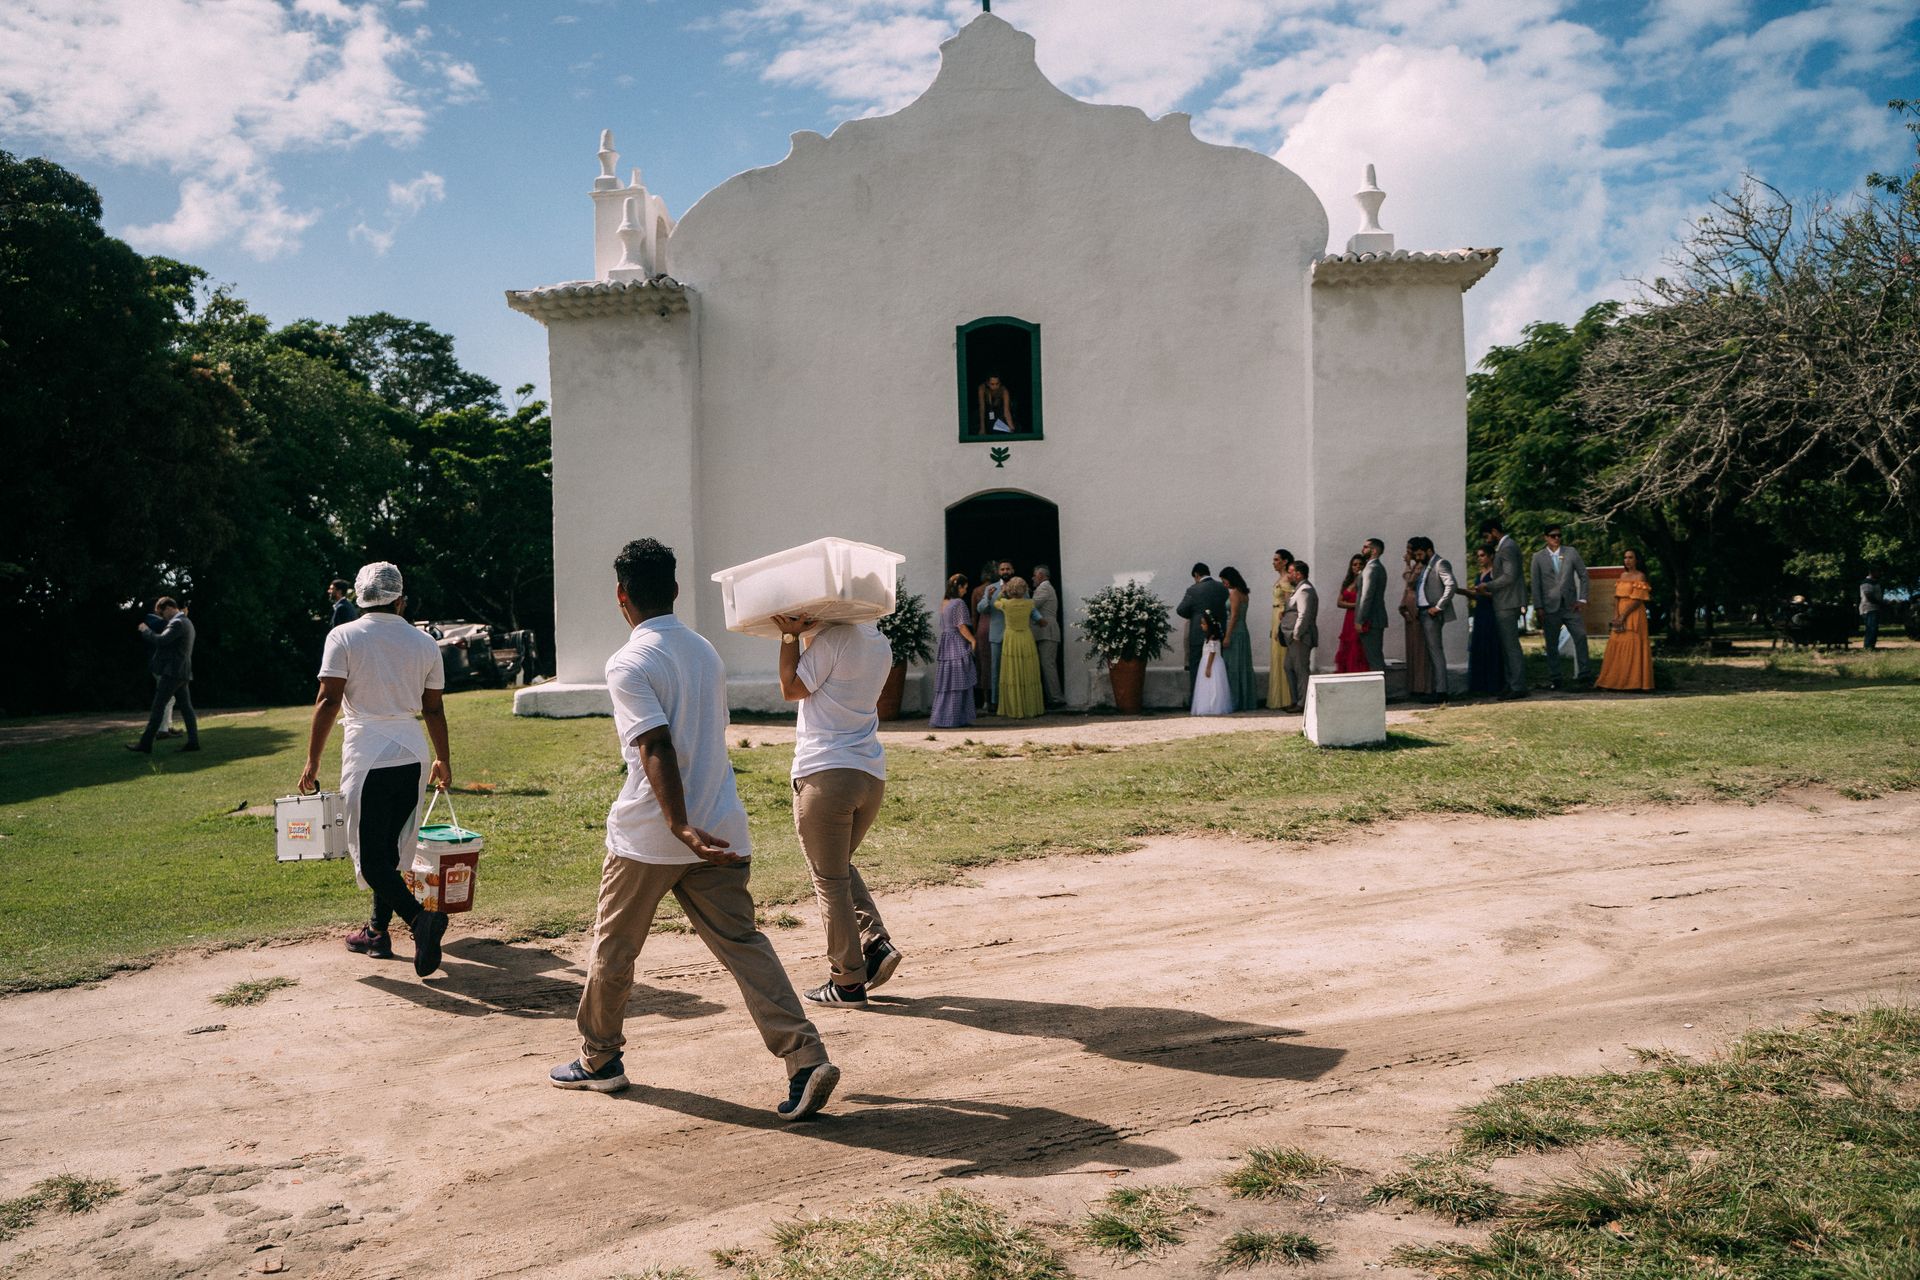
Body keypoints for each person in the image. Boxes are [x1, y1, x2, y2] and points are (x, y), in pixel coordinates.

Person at [550, 539, 839, 1119]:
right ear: (676, 590)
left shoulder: (628, 661)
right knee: (743, 945)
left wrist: (678, 825)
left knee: (615, 946)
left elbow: (655, 742)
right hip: (721, 824)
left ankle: (600, 1059)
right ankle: (805, 1058)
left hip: (651, 834)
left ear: (620, 596)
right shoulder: (705, 652)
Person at [296, 562, 450, 976]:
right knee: (392, 848)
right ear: (401, 599)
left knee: (370, 857)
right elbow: (433, 707)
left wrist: (312, 759)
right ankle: (376, 931)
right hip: (413, 751)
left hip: (368, 753)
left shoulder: (343, 635)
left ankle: (420, 920)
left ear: (362, 599)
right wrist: (444, 758)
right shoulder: (424, 642)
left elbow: (328, 700)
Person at [772, 604, 904, 1009]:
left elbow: (792, 687)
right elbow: (832, 680)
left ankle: (847, 981)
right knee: (837, 868)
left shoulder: (836, 638)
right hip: (869, 774)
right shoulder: (879, 642)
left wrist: (790, 636)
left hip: (826, 775)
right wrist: (812, 633)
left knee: (827, 880)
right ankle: (874, 943)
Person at [127, 597, 199, 754]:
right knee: (187, 709)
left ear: (168, 608)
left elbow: (161, 640)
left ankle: (145, 744)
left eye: (162, 613)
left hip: (172, 672)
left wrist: (146, 631)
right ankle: (193, 742)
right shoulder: (187, 622)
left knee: (157, 708)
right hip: (183, 671)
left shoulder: (177, 622)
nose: (163, 618)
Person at [1530, 526, 1590, 688]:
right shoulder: (1538, 557)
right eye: (1552, 536)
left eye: (1559, 535)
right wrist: (1538, 607)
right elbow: (1535, 584)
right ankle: (1555, 677)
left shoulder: (1571, 552)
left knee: (1581, 636)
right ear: (1546, 538)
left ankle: (1584, 674)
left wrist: (1582, 598)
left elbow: (1584, 575)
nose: (1556, 538)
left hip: (1570, 604)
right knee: (1552, 643)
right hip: (1549, 606)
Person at [1595, 549, 1654, 692]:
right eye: (1625, 557)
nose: (1627, 560)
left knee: (1632, 646)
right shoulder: (1622, 575)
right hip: (1620, 614)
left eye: (1630, 557)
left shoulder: (1640, 576)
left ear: (1637, 559)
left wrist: (1623, 616)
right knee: (1616, 645)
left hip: (1634, 615)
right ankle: (1613, 682)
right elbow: (1617, 598)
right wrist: (1616, 616)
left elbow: (1637, 600)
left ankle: (1633, 684)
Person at [1480, 518, 1527, 699]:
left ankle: (1517, 685)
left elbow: (1509, 576)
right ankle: (1512, 683)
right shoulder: (1507, 546)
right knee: (1508, 646)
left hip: (1508, 602)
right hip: (1507, 601)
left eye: (1487, 536)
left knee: (1511, 646)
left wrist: (1488, 585)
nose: (1486, 540)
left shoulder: (1507, 547)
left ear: (1494, 531)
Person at [1410, 537, 1457, 704]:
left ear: (1429, 550)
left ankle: (1441, 690)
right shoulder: (1425, 566)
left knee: (1435, 651)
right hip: (1423, 612)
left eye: (1420, 553)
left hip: (1432, 613)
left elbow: (1451, 585)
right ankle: (1436, 688)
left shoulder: (1440, 563)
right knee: (1431, 651)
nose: (1418, 557)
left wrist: (1438, 606)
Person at [1175, 563, 1230, 706]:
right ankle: (1216, 701)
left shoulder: (1193, 589)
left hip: (1198, 633)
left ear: (1196, 575)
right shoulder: (1222, 588)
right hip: (1219, 632)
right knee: (1217, 668)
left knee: (1196, 669)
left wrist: (1194, 614)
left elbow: (1181, 610)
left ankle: (1197, 701)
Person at [930, 573, 977, 729]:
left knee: (947, 682)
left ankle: (943, 717)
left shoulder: (945, 602)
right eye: (965, 588)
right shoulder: (958, 603)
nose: (965, 591)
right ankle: (956, 718)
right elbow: (961, 626)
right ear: (959, 587)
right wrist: (972, 640)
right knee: (959, 680)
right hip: (956, 642)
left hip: (946, 644)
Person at [994, 577, 1045, 719]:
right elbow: (1036, 616)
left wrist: (1002, 591)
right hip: (1026, 636)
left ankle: (1014, 707)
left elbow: (996, 602)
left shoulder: (1004, 604)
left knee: (1012, 671)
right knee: (1028, 670)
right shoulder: (1030, 603)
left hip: (1011, 637)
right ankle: (1031, 707)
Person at [1464, 545, 1504, 696]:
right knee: (1479, 645)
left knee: (1491, 645)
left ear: (1490, 556)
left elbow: (1497, 595)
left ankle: (1494, 683)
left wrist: (1484, 593)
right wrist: (1468, 593)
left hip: (1491, 611)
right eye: (1478, 556)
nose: (1480, 559)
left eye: (1483, 556)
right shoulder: (1480, 573)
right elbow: (1478, 594)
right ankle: (1480, 684)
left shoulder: (1495, 573)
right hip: (1480, 611)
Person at [1278, 561, 1317, 713]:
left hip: (1299, 638)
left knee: (1301, 669)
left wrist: (1297, 633)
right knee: (1288, 666)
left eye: (1291, 571)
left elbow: (1304, 614)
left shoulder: (1305, 590)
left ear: (1299, 574)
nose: (1288, 575)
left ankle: (1303, 703)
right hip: (1291, 638)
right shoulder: (1298, 589)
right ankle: (1296, 700)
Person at [1218, 566, 1257, 710]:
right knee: (1242, 665)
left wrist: (1227, 636)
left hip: (1234, 631)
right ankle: (1244, 698)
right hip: (1243, 630)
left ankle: (1234, 700)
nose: (1224, 583)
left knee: (1233, 666)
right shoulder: (1244, 593)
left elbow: (1234, 616)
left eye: (1224, 580)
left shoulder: (1234, 593)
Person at [1399, 543, 1434, 699]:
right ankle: (1415, 685)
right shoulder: (1415, 566)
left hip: (1416, 609)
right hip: (1409, 609)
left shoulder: (1420, 567)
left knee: (1420, 650)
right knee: (1413, 648)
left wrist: (1407, 564)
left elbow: (1410, 580)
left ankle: (1424, 686)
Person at [142, 604, 180, 738]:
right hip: (159, 665)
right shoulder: (151, 619)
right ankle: (163, 730)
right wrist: (180, 615)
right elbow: (166, 626)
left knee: (170, 698)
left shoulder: (153, 620)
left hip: (161, 664)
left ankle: (166, 727)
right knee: (167, 698)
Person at [981, 560, 1013, 712]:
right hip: (997, 633)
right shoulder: (990, 588)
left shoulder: (1019, 585)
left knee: (1014, 669)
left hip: (1015, 634)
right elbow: (980, 609)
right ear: (998, 572)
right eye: (1002, 569)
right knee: (995, 669)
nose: (1005, 571)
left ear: (1012, 570)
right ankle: (995, 702)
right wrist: (988, 598)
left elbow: (1028, 605)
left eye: (1007, 569)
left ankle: (1012, 702)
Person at [1031, 565, 1064, 708]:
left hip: (1046, 631)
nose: (1032, 578)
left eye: (1034, 575)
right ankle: (1052, 697)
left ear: (1041, 575)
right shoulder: (1045, 588)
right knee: (1047, 664)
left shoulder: (1044, 588)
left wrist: (1019, 596)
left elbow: (1031, 605)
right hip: (1044, 631)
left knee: (1048, 665)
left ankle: (1056, 698)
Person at [1355, 538, 1389, 672]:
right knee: (1374, 657)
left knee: (1374, 659)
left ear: (1374, 550)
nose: (1362, 549)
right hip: (1375, 619)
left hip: (1372, 620)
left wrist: (1360, 619)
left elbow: (1366, 596)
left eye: (1365, 547)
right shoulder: (1374, 567)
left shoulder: (1372, 568)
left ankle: (1381, 691)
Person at [1268, 549, 1296, 709]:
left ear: (1285, 561)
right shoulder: (1280, 578)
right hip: (1275, 615)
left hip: (1280, 615)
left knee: (1282, 656)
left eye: (1277, 560)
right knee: (1276, 656)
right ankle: (1278, 697)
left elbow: (1288, 603)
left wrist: (1281, 625)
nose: (1274, 562)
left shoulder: (1287, 579)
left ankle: (1286, 697)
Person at [1190, 610, 1232, 715]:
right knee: (1207, 685)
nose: (1201, 625)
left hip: (1212, 663)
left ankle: (1212, 706)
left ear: (1209, 625)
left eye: (1203, 623)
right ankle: (1208, 705)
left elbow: (1212, 652)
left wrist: (1208, 667)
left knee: (1213, 684)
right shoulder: (1209, 637)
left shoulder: (1213, 638)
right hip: (1209, 661)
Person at [1333, 554, 1370, 674]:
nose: (1357, 566)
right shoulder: (1348, 582)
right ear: (1351, 567)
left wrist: (1355, 606)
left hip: (1360, 617)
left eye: (1360, 564)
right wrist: (1354, 605)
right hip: (1349, 618)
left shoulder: (1366, 581)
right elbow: (1339, 602)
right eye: (1354, 564)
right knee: (1347, 646)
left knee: (1357, 647)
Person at [970, 562, 996, 711]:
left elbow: (974, 614)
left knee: (983, 664)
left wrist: (974, 633)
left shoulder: (976, 591)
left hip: (982, 627)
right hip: (996, 625)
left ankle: (985, 699)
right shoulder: (997, 589)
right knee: (997, 663)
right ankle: (996, 699)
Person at [1859, 570, 1883, 650]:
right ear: (1872, 573)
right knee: (1871, 628)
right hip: (1868, 608)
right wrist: (1879, 603)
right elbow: (1868, 595)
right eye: (1878, 572)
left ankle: (1871, 646)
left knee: (1874, 628)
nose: (1880, 573)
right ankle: (1868, 646)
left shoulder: (1875, 582)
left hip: (1874, 608)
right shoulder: (1866, 582)